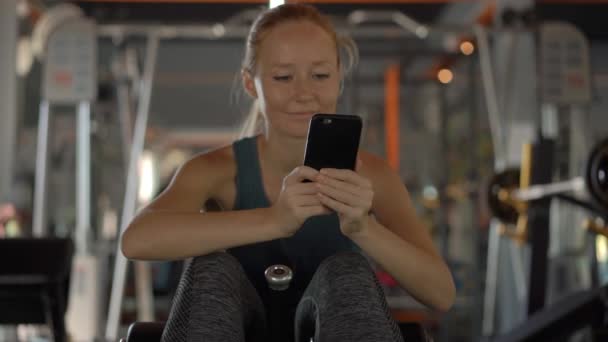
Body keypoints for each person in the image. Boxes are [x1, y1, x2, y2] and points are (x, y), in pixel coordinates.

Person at [121, 3, 455, 342]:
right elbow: (137, 240)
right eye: (283, 77)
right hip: (237, 327)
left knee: (347, 272)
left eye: (320, 75)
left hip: (333, 325)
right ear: (251, 84)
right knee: (209, 268)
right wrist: (275, 220)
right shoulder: (215, 170)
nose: (303, 93)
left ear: (339, 76)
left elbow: (441, 293)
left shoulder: (374, 175)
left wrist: (363, 228)